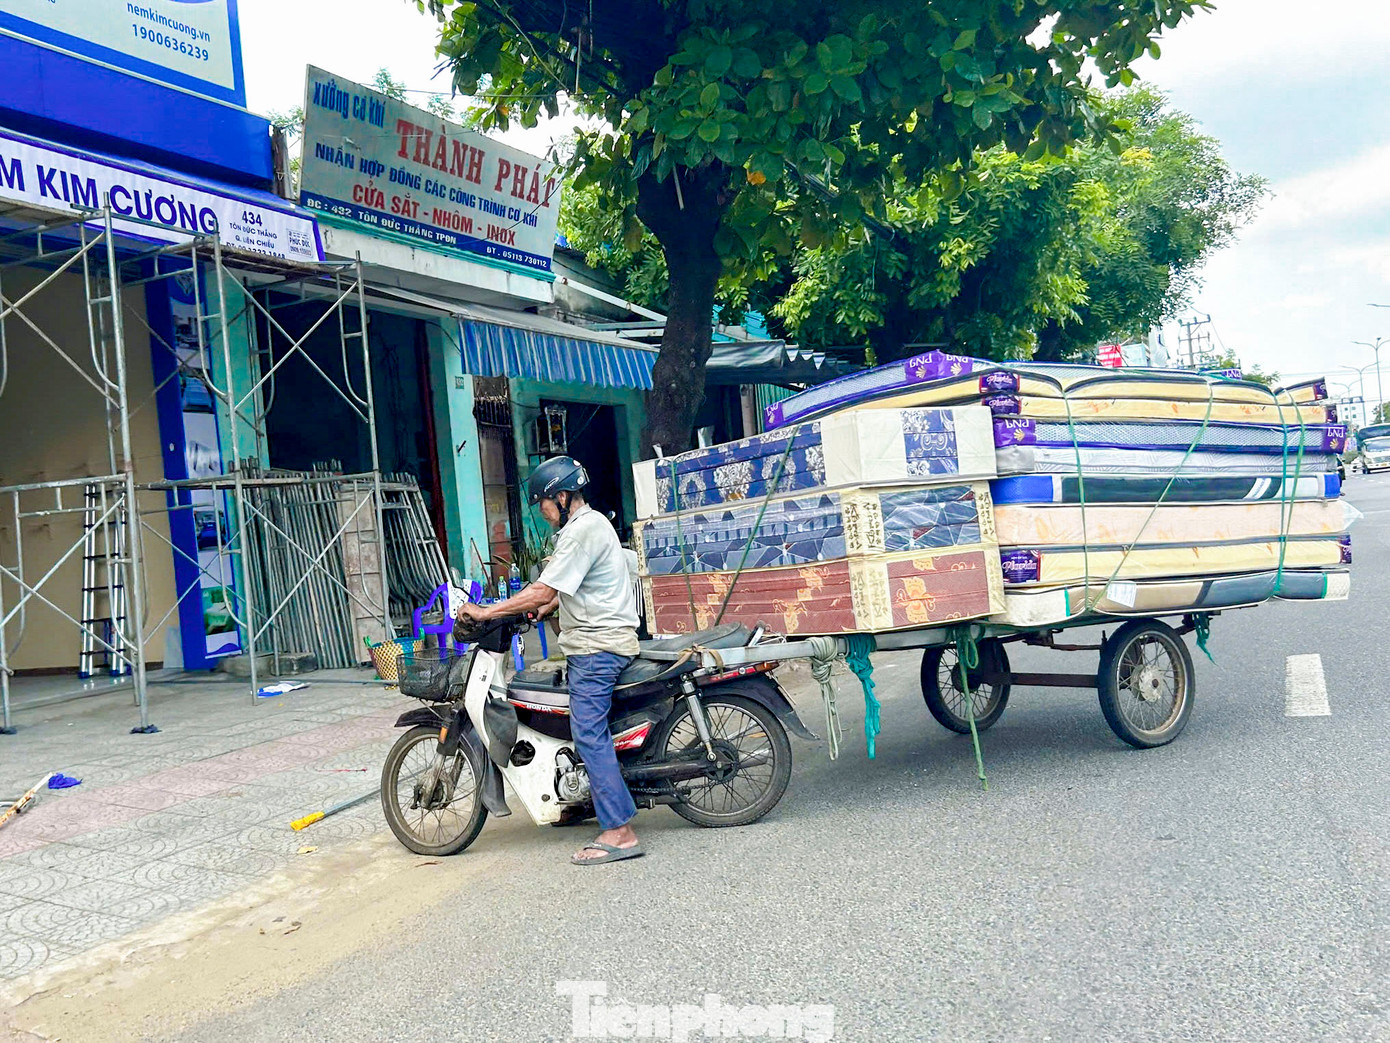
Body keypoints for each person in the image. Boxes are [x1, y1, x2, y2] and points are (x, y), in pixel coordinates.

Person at [455, 455, 644, 865]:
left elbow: (542, 589)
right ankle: (580, 801)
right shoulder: (589, 527)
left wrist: (488, 612)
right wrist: (551, 603)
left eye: (543, 504)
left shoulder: (580, 531)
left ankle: (619, 832)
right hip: (601, 640)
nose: (542, 514)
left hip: (598, 649)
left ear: (561, 496)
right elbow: (569, 584)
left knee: (587, 729)